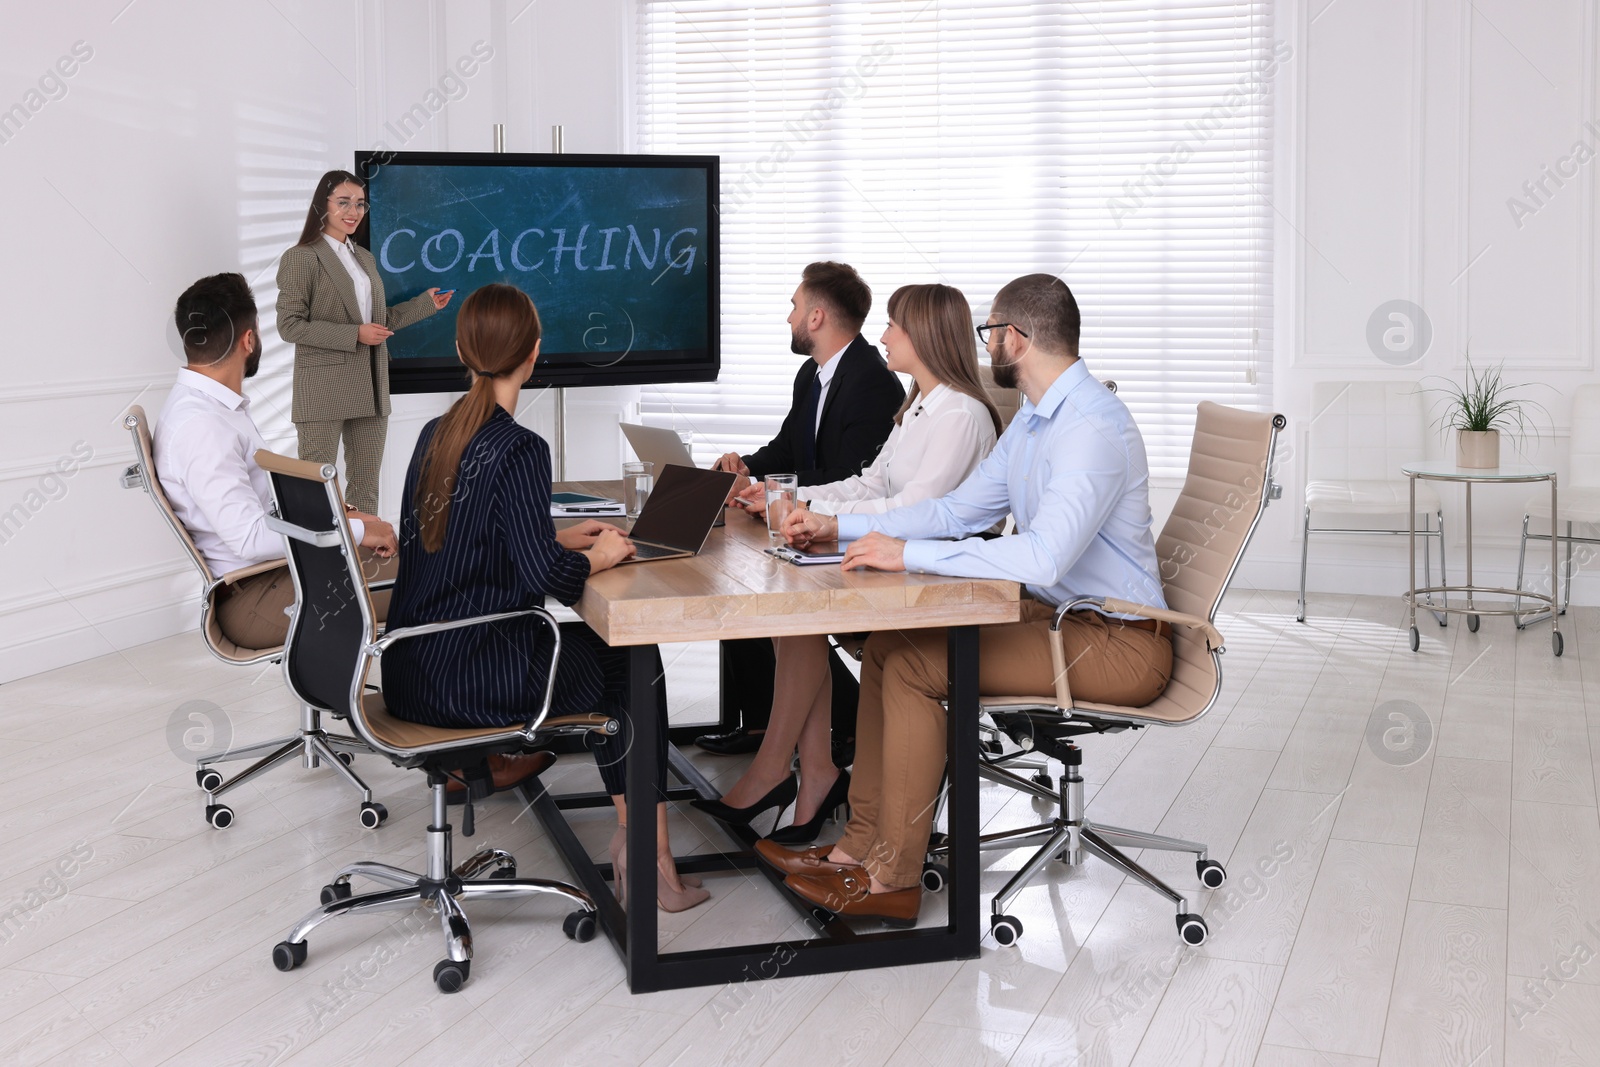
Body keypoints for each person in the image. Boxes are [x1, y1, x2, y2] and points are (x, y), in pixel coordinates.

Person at [758, 274, 1174, 926]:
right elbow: (958, 509)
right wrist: (843, 528)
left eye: (991, 334)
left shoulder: (1091, 427)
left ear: (1016, 337)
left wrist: (907, 553)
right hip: (1058, 616)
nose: (987, 348)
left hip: (1121, 641)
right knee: (894, 646)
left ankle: (893, 877)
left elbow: (1042, 556)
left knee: (921, 667)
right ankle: (855, 848)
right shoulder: (1036, 420)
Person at [382, 282, 708, 913]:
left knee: (614, 661)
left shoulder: (434, 433)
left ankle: (642, 846)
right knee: (629, 661)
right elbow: (545, 582)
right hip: (470, 680)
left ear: (460, 348)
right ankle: (650, 857)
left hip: (412, 669)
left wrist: (553, 535)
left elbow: (459, 540)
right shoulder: (521, 447)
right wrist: (598, 555)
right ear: (533, 354)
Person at [693, 283, 1002, 845]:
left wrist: (826, 518)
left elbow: (919, 511)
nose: (882, 335)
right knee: (793, 611)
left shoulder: (960, 415)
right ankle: (815, 775)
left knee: (798, 612)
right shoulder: (916, 406)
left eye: (894, 327)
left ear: (925, 336)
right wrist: (798, 503)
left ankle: (775, 772)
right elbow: (870, 482)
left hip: (934, 576)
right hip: (895, 558)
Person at [697, 261, 904, 759]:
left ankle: (845, 722)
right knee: (735, 576)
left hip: (846, 534)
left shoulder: (873, 384)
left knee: (761, 592)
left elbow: (848, 476)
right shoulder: (811, 376)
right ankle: (763, 724)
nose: (788, 318)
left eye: (793, 307)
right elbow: (788, 451)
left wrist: (770, 491)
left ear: (816, 317)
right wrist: (744, 469)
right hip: (808, 518)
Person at [155, 273, 399, 652]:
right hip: (254, 598)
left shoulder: (213, 407)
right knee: (430, 574)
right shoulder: (202, 425)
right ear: (248, 340)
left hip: (276, 576)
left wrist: (348, 515)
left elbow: (268, 504)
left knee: (421, 557)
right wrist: (355, 532)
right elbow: (251, 539)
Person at [276, 169, 452, 514]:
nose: (353, 211)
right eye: (343, 202)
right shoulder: (301, 257)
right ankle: (321, 565)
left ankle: (365, 565)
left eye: (359, 204)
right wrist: (354, 334)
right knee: (317, 488)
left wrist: (424, 305)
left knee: (366, 489)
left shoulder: (363, 258)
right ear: (321, 206)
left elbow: (378, 324)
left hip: (371, 384)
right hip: (323, 389)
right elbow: (289, 325)